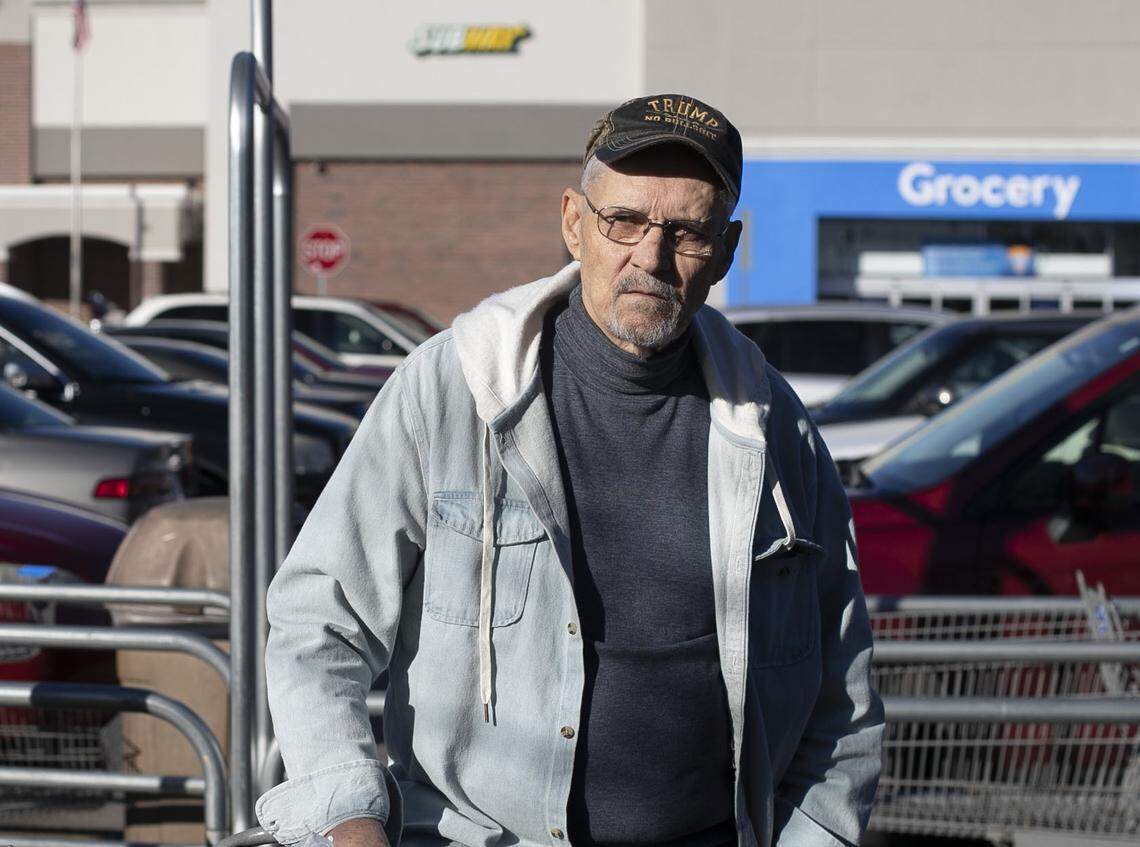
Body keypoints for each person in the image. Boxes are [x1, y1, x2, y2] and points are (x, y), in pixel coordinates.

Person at [257, 94, 883, 847]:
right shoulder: (452, 392)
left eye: (686, 231)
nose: (648, 257)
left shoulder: (774, 429)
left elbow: (841, 697)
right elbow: (316, 621)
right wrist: (349, 820)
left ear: (724, 249)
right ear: (573, 223)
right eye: (623, 221)